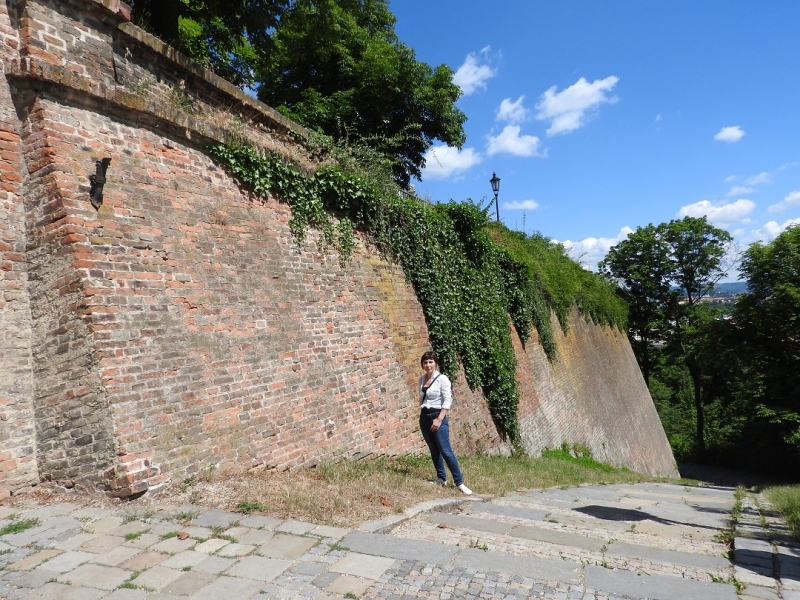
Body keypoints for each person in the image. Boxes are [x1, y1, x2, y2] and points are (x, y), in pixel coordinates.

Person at [418, 351, 472, 495]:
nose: (428, 365)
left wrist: (439, 419)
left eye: (430, 362)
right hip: (424, 417)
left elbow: (447, 400)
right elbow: (422, 399)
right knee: (434, 450)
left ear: (435, 363)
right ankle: (441, 478)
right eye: (425, 362)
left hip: (438, 416)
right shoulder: (421, 380)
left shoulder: (442, 379)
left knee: (446, 451)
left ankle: (459, 482)